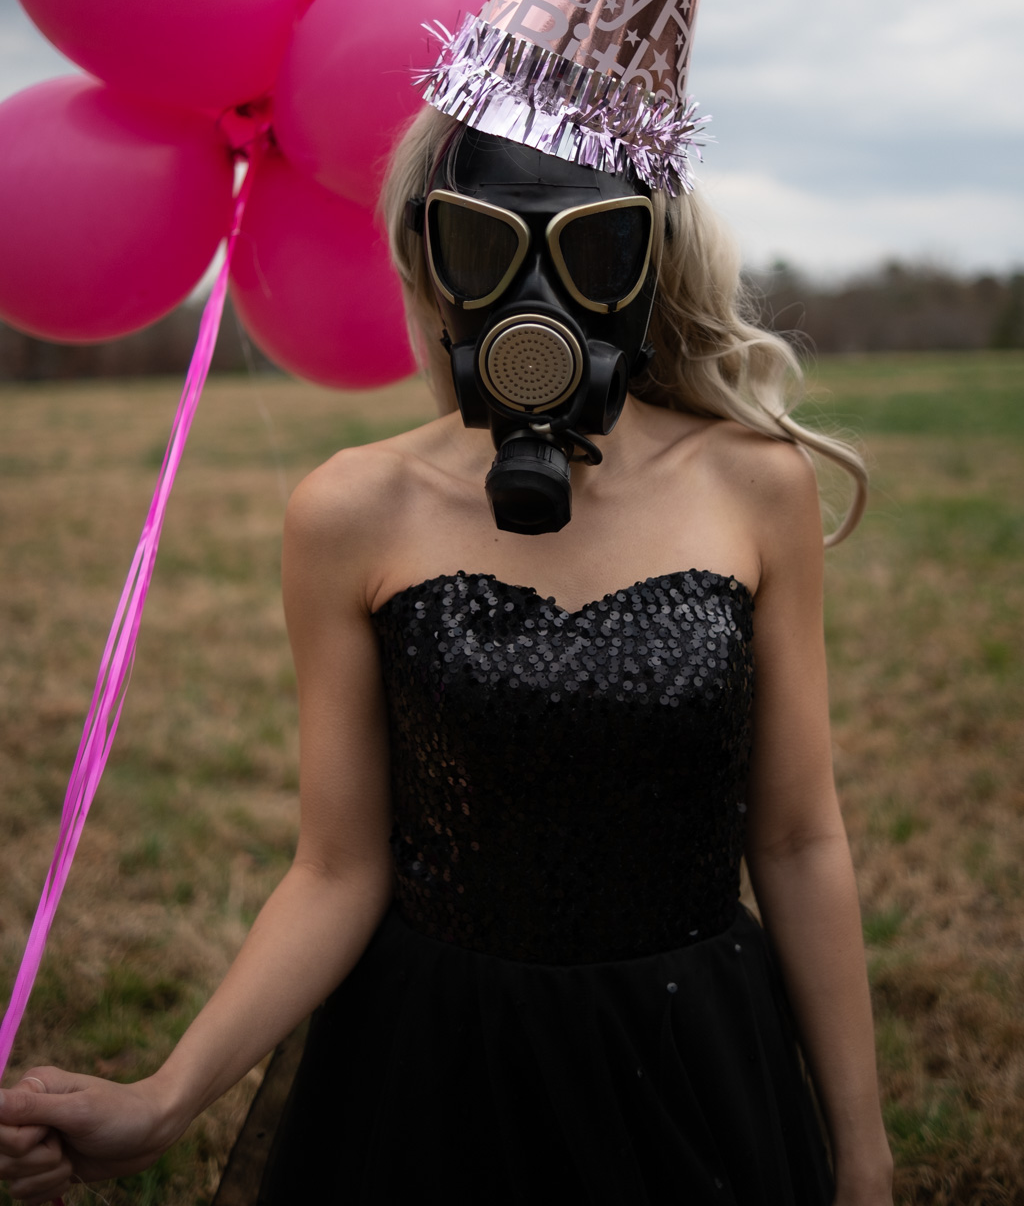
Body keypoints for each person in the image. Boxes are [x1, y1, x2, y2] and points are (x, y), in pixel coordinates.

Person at [0, 102, 892, 1205]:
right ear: (428, 261)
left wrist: (861, 1156)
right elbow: (337, 867)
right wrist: (167, 1095)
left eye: (585, 246)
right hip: (434, 1068)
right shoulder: (350, 511)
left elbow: (799, 838)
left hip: (691, 1056)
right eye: (480, 244)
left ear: (645, 256)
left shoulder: (754, 488)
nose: (530, 293)